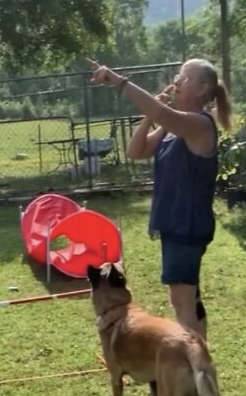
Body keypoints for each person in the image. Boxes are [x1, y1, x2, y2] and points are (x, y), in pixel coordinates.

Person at [86, 57, 232, 340]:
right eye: (178, 75)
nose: (177, 81)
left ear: (202, 89)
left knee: (182, 303)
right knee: (190, 298)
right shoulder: (171, 127)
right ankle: (201, 361)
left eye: (185, 78)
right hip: (175, 224)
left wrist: (118, 81)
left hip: (186, 226)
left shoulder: (199, 124)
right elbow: (136, 151)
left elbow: (165, 114)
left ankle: (191, 371)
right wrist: (150, 115)